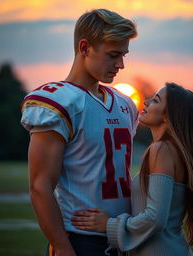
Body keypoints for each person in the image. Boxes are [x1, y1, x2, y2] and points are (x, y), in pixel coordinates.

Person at [20, 9, 138, 256]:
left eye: (123, 55)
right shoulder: (60, 102)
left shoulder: (125, 104)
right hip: (79, 240)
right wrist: (63, 248)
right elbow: (40, 186)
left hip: (122, 236)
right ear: (85, 48)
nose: (121, 65)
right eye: (113, 55)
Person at [71, 82, 193, 255]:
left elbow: (155, 218)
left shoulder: (162, 149)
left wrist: (109, 225)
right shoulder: (172, 149)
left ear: (169, 116)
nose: (146, 102)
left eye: (156, 100)